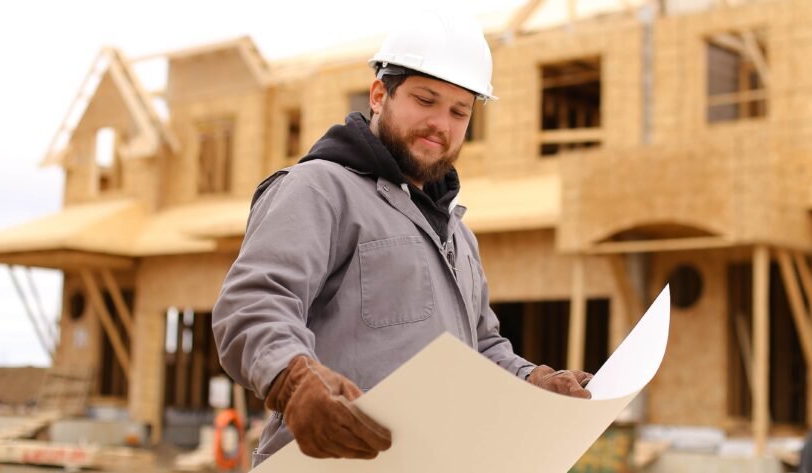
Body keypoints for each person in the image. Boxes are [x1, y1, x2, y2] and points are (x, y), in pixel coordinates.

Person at [212, 9, 593, 467]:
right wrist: (293, 381)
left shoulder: (457, 234)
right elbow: (254, 304)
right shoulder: (319, 189)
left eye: (459, 111)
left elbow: (482, 349)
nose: (441, 124)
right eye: (425, 100)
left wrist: (530, 381)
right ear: (379, 94)